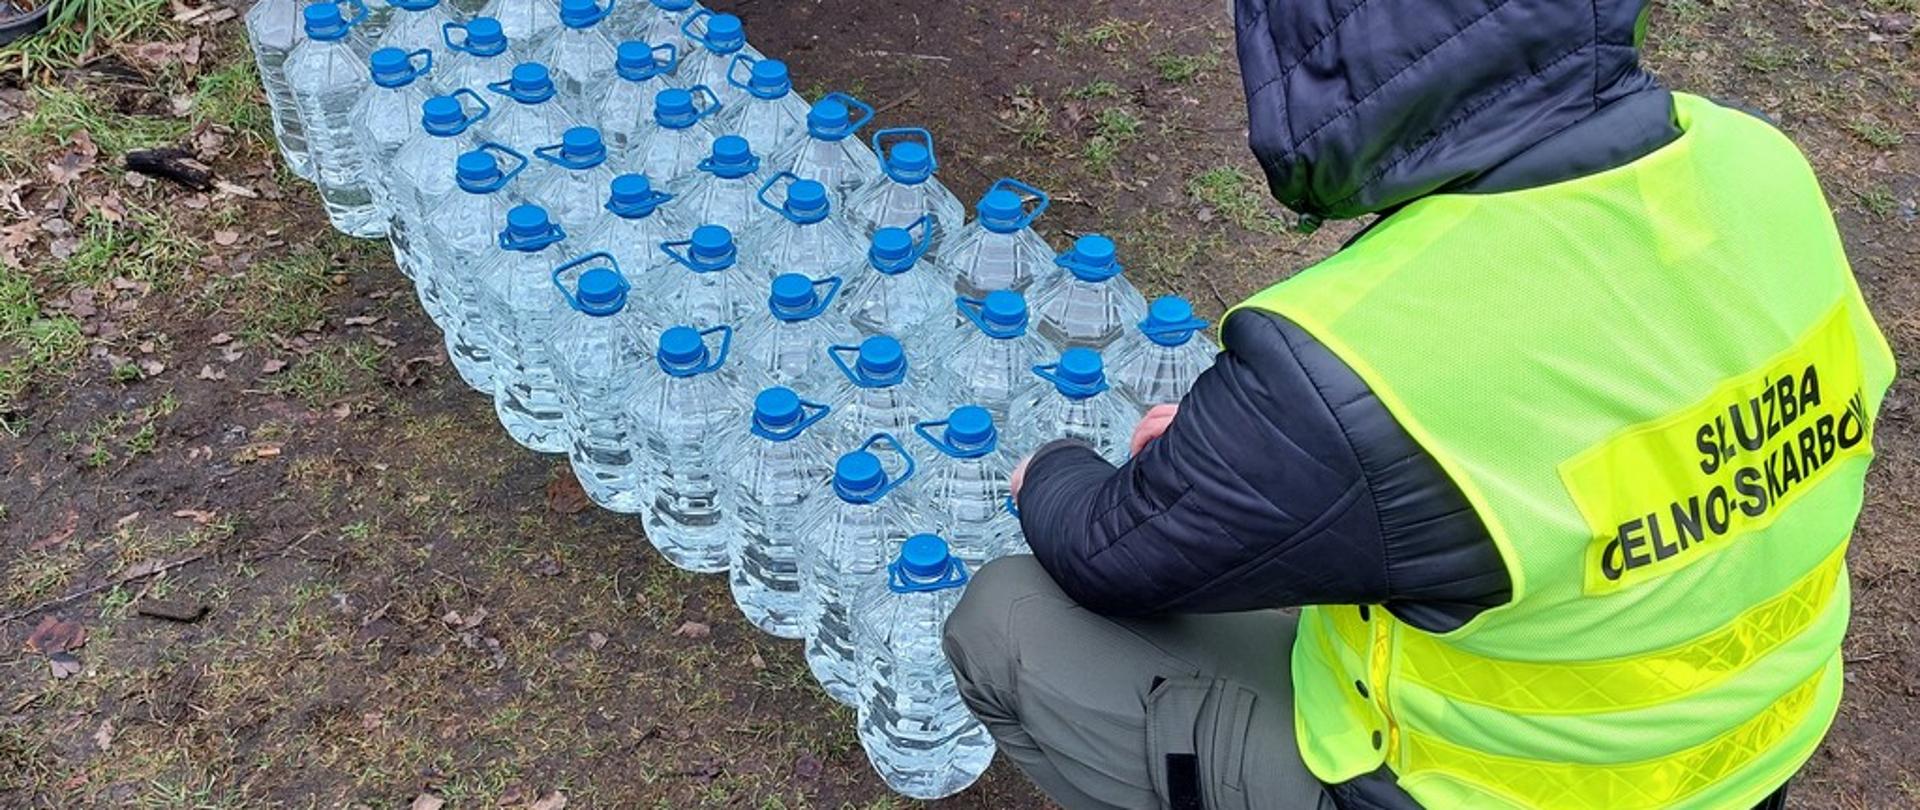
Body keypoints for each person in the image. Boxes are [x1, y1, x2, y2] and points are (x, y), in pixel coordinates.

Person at [940, 1, 1898, 808]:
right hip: (1748, 755)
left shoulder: (1357, 350)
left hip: (1485, 788)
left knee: (1004, 619)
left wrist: (1051, 469)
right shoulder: (1754, 160)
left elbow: (1107, 551)